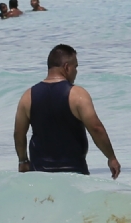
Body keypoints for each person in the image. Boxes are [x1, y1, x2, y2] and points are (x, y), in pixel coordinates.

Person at [14, 44, 121, 178]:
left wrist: (23, 160)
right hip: (73, 171)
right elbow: (96, 128)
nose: (76, 71)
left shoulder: (28, 96)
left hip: (39, 172)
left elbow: (19, 132)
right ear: (66, 67)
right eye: (75, 67)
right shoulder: (77, 95)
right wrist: (111, 157)